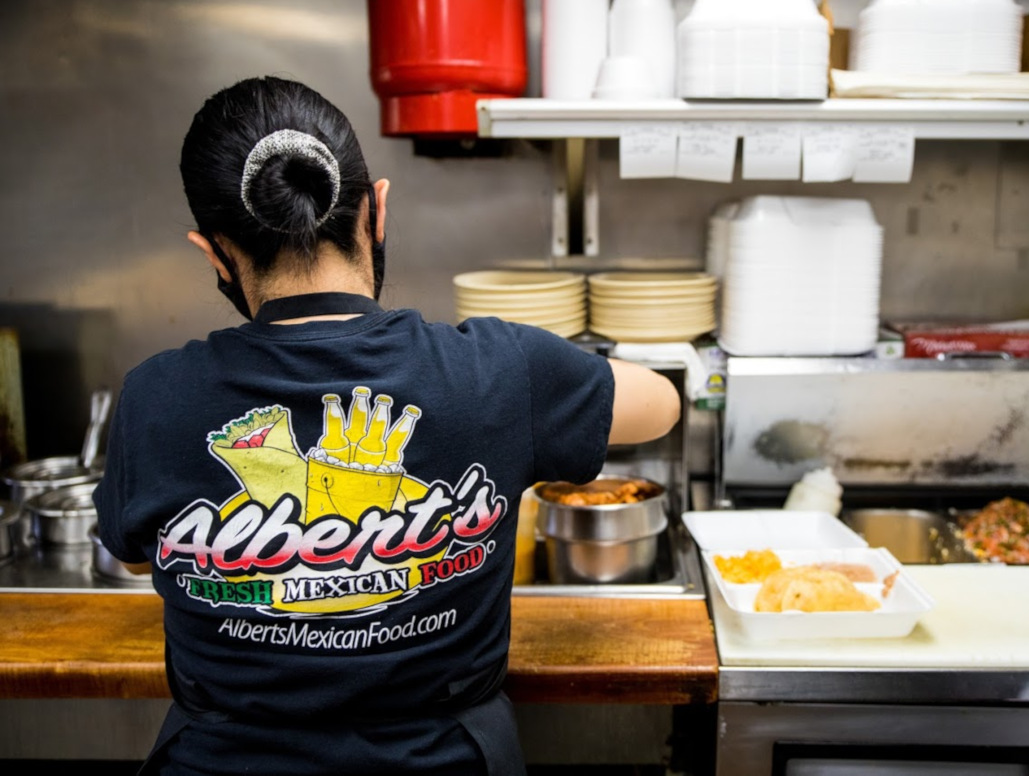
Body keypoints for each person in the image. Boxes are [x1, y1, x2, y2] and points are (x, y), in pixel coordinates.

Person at [93, 75, 680, 776]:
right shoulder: (497, 370)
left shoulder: (154, 395)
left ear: (214, 253)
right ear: (377, 212)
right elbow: (660, 405)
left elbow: (134, 555)